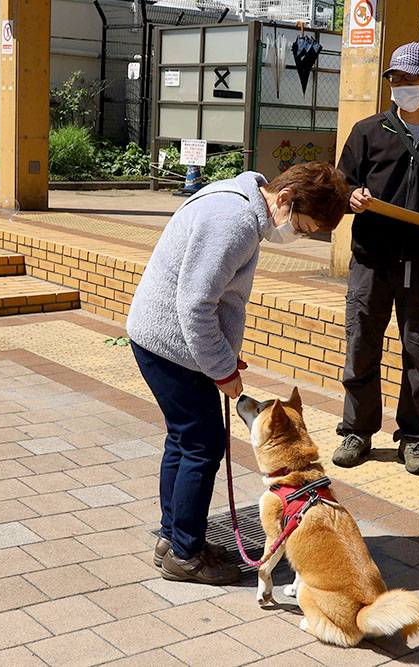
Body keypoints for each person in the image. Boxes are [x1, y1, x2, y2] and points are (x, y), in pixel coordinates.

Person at [127, 161, 350, 585]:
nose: (300, 236)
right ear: (283, 198)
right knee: (203, 445)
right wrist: (223, 369)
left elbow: (208, 298)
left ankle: (176, 538)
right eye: (303, 227)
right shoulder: (235, 223)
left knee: (186, 438)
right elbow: (196, 306)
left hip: (167, 339)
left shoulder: (241, 203)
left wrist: (223, 357)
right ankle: (185, 555)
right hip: (171, 343)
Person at [332, 42, 419, 476]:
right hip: (370, 260)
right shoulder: (368, 131)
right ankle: (357, 431)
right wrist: (350, 196)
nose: (402, 86)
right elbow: (343, 183)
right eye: (395, 78)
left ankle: (414, 438)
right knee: (361, 348)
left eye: (412, 79)